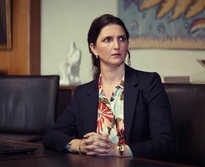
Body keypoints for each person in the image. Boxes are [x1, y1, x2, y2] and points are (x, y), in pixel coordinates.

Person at [43, 14, 174, 160]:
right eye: (107, 40)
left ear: (127, 44)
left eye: (121, 39)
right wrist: (81, 145)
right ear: (94, 48)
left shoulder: (149, 83)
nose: (116, 45)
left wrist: (117, 150)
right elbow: (52, 136)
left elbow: (164, 143)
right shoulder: (83, 93)